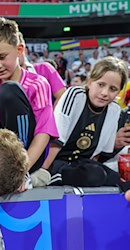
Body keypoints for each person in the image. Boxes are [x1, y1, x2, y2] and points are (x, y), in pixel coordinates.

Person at [0, 17, 58, 187]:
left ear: (19, 50)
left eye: (2, 57)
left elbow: (43, 134)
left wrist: (22, 170)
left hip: (29, 158)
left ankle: (22, 175)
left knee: (9, 90)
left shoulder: (38, 84)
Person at [42, 57, 128, 187]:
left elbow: (97, 156)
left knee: (122, 181)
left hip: (82, 165)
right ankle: (53, 178)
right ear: (90, 81)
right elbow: (55, 141)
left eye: (113, 89)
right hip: (57, 161)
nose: (105, 93)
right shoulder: (75, 95)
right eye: (101, 85)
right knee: (95, 175)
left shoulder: (114, 109)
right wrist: (43, 172)